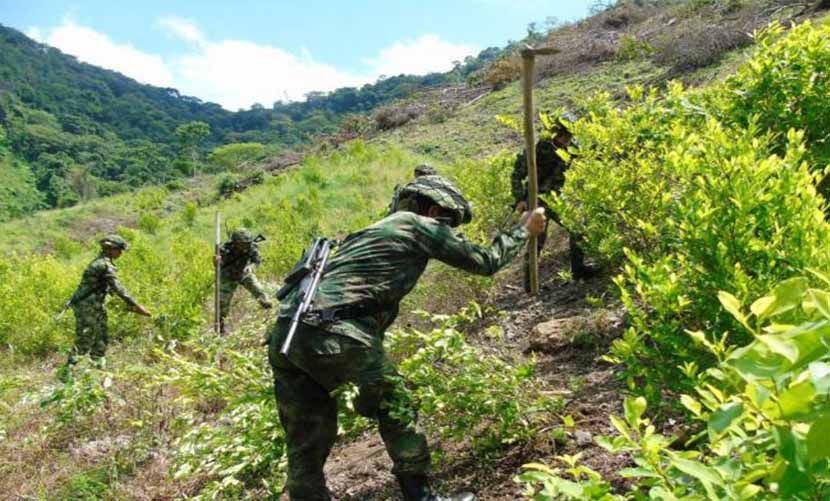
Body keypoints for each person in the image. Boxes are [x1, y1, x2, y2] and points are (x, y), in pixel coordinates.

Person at [266, 175, 546, 501]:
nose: (446, 228)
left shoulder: (370, 232)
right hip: (337, 332)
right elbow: (485, 261)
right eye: (446, 220)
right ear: (431, 208)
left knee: (306, 432)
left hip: (287, 333)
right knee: (396, 406)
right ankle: (421, 498)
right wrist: (524, 229)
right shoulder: (415, 224)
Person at [512, 112, 595, 290]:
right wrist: (519, 199)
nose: (566, 138)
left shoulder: (573, 148)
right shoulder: (539, 148)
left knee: (577, 229)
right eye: (564, 134)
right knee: (537, 241)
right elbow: (517, 175)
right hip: (537, 200)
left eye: (569, 134)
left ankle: (579, 271)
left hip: (557, 198)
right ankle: (530, 286)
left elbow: (589, 158)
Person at [64, 234, 151, 364]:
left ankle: (98, 366)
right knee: (85, 339)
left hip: (96, 306)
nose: (120, 253)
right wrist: (137, 306)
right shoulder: (103, 265)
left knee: (101, 337)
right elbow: (118, 288)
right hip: (87, 307)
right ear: (110, 249)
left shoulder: (102, 263)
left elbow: (109, 289)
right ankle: (67, 372)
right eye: (119, 250)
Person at [215, 228, 273, 334]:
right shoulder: (224, 249)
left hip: (244, 273)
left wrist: (251, 266)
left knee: (259, 291)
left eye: (246, 243)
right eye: (242, 244)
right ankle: (221, 327)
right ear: (235, 243)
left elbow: (256, 260)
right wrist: (217, 261)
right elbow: (219, 265)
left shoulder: (251, 246)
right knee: (222, 303)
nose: (245, 246)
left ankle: (269, 312)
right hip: (228, 275)